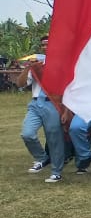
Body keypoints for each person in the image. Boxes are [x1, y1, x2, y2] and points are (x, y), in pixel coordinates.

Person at [16, 37, 68, 183]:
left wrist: (65, 110)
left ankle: (56, 171)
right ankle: (42, 158)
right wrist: (27, 68)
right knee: (27, 133)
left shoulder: (60, 64)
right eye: (43, 45)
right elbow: (20, 84)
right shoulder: (36, 64)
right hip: (35, 103)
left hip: (52, 103)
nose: (45, 47)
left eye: (48, 44)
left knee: (54, 138)